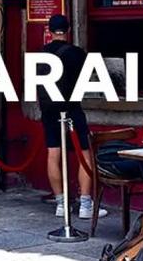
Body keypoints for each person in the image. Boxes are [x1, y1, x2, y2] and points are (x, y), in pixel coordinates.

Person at [37, 14, 105, 221]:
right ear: (68, 30)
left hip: (49, 109)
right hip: (72, 107)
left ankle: (61, 203)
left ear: (49, 31)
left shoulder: (40, 54)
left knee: (53, 154)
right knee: (85, 154)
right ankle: (85, 204)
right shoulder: (77, 53)